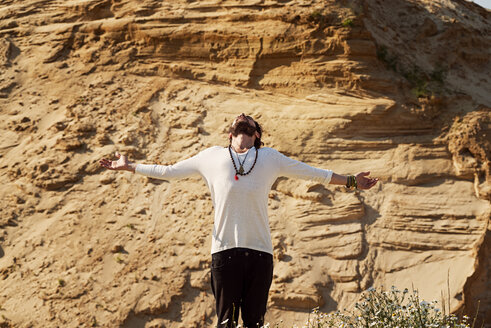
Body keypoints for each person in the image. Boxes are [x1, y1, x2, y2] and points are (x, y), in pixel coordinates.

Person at [99, 113, 378, 328]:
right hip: (225, 254)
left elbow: (313, 173)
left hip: (260, 255)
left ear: (256, 135)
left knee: (254, 323)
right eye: (239, 123)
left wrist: (352, 181)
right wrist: (130, 166)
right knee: (226, 323)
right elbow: (169, 171)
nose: (243, 120)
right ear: (230, 133)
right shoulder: (212, 156)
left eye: (249, 124)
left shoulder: (269, 158)